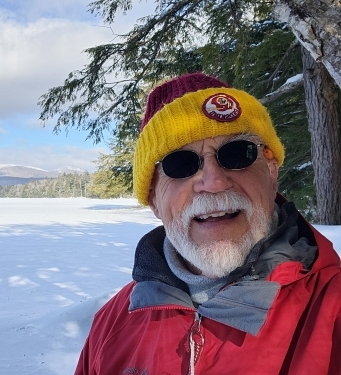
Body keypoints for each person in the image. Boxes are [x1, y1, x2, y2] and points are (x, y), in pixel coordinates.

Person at [74, 73, 341, 375]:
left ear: (271, 171)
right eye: (180, 163)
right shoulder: (114, 322)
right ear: (153, 199)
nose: (213, 182)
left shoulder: (332, 311)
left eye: (238, 154)